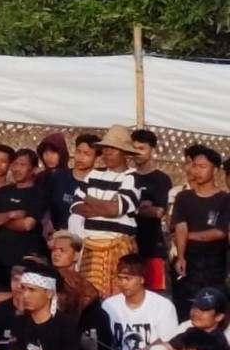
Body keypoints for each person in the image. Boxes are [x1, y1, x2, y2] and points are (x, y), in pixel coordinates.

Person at [73, 125, 142, 297]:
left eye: (113, 149)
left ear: (125, 152)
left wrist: (89, 199)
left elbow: (115, 209)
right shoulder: (94, 174)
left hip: (117, 247)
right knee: (88, 297)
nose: (107, 153)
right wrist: (107, 206)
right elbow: (76, 207)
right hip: (90, 247)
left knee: (118, 296)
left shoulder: (132, 177)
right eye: (105, 148)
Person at [172, 145, 230, 311]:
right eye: (195, 166)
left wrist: (185, 236)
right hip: (188, 262)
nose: (197, 171)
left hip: (215, 264)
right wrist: (181, 257)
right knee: (185, 308)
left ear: (216, 170)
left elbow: (219, 232)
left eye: (203, 167)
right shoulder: (183, 197)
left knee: (213, 308)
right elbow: (180, 226)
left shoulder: (225, 199)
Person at [101, 254, 180, 350]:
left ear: (142, 279)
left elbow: (169, 343)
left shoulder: (163, 306)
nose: (123, 283)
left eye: (128, 278)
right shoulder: (108, 305)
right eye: (120, 278)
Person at [0, 148, 48, 286]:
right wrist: (10, 215)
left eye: (22, 165)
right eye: (15, 164)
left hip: (27, 260)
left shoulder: (39, 194)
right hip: (1, 259)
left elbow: (26, 225)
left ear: (34, 169)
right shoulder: (3, 192)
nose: (17, 169)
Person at [133, 129, 174, 293]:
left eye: (142, 148)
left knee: (154, 294)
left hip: (153, 247)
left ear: (152, 150)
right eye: (134, 148)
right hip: (128, 247)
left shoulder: (161, 179)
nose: (137, 153)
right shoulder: (127, 177)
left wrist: (131, 207)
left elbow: (158, 212)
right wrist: (143, 206)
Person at [48, 133, 99, 235]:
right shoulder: (58, 177)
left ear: (97, 158)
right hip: (58, 237)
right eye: (78, 152)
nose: (80, 157)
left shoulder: (99, 183)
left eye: (87, 154)